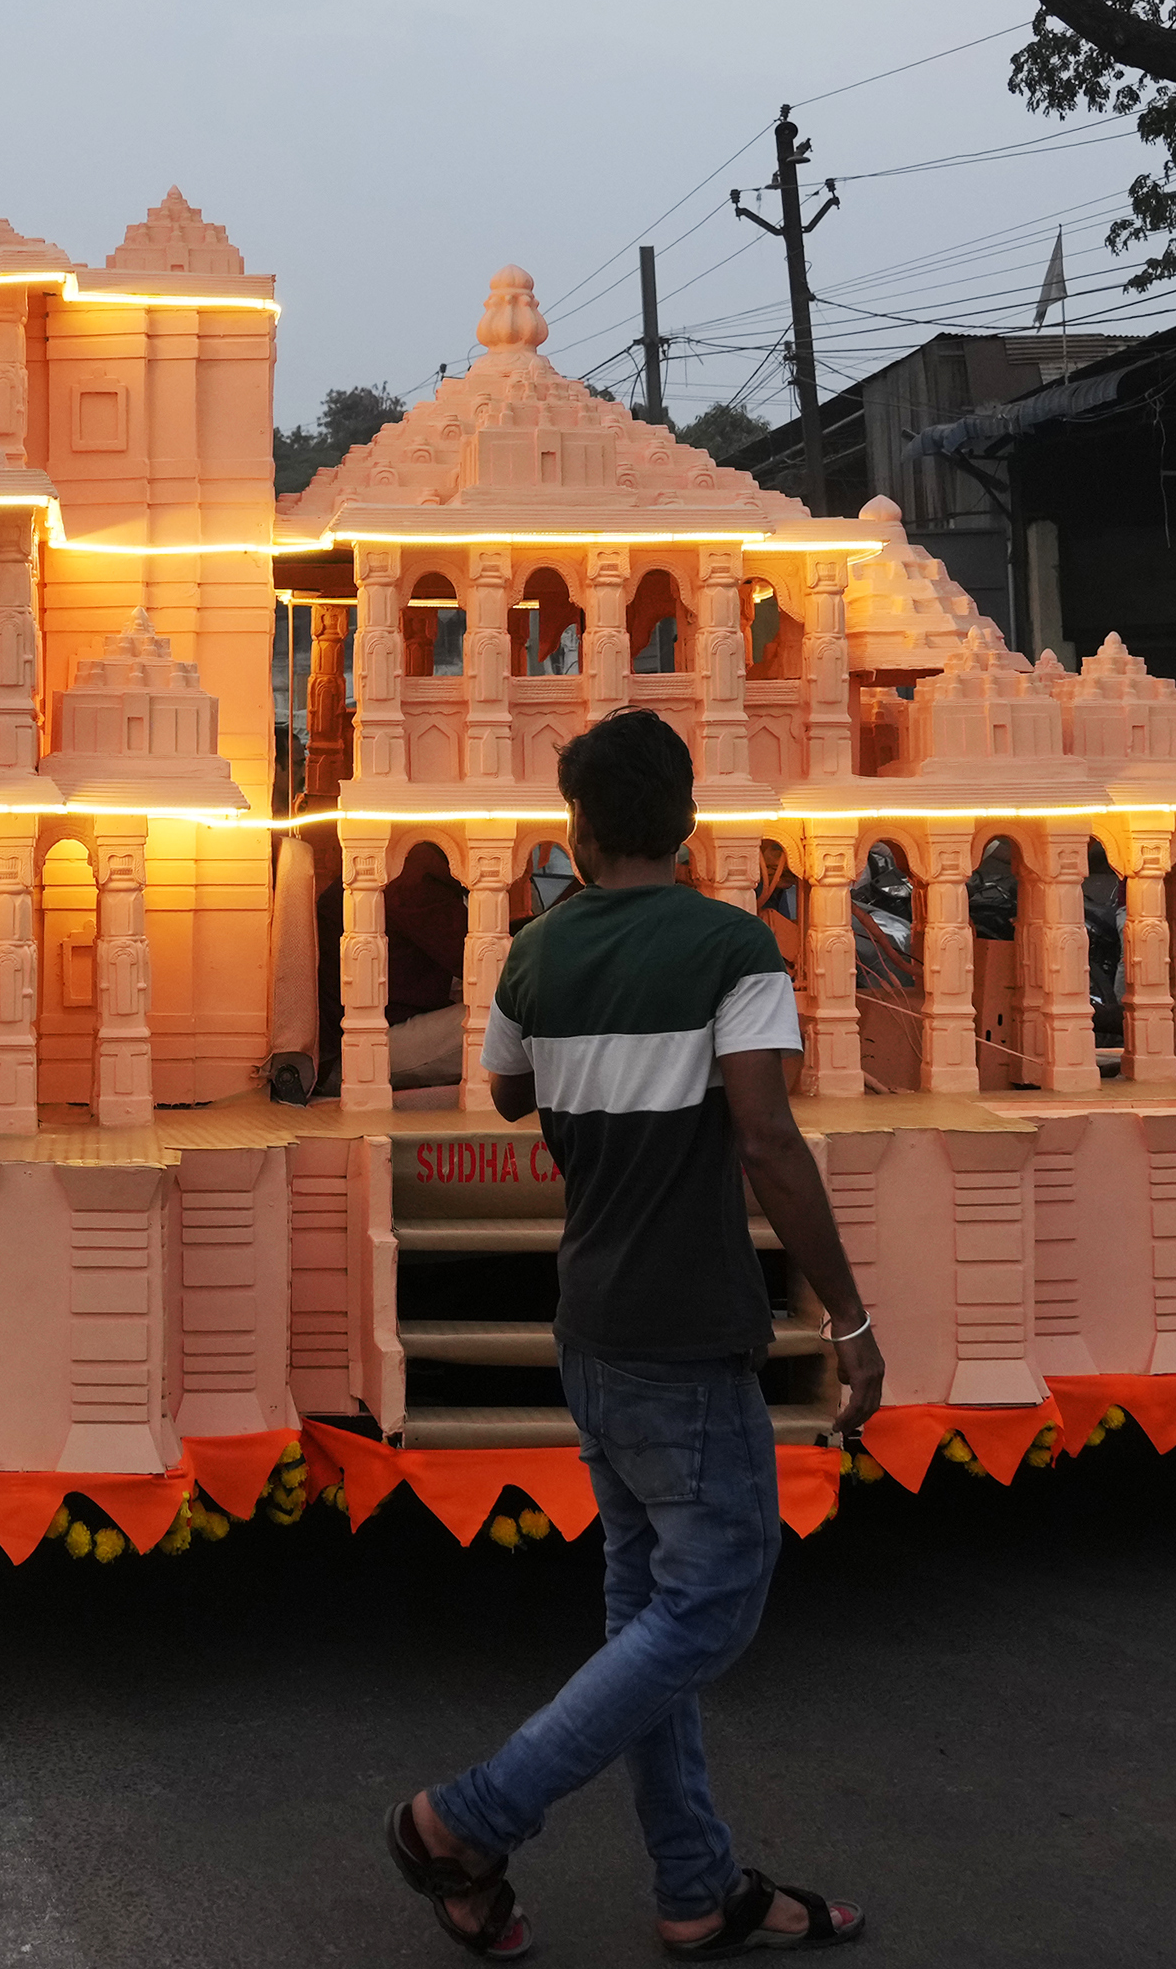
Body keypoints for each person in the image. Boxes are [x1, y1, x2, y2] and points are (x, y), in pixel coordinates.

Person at [386, 709, 875, 1960]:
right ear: (690, 824)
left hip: (591, 1325)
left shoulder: (534, 958)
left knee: (642, 1618)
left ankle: (698, 1888)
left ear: (577, 828)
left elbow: (503, 1089)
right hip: (689, 1325)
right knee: (709, 1608)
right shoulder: (733, 950)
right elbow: (766, 1135)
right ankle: (468, 1818)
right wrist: (851, 1315)